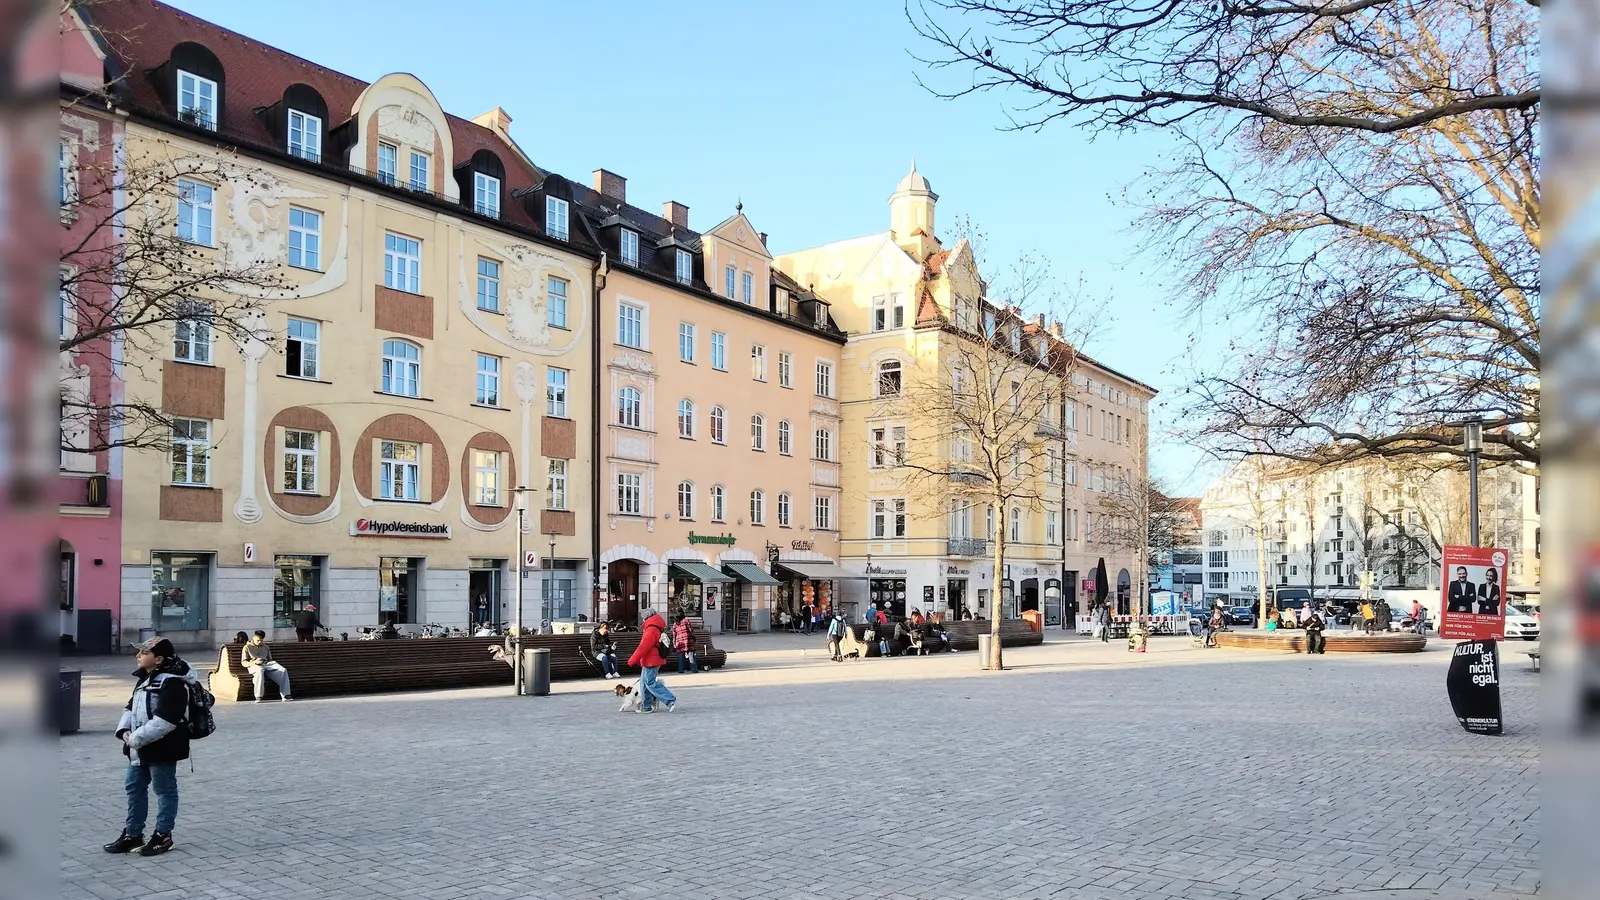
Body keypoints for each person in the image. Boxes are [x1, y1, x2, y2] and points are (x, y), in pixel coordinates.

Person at [105, 638, 197, 857]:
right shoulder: (144, 678)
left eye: (143, 652)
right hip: (138, 747)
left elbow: (166, 721)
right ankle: (133, 834)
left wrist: (134, 738)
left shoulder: (173, 683)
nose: (138, 655)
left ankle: (163, 835)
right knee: (134, 788)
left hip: (162, 748)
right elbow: (130, 707)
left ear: (158, 659)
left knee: (164, 790)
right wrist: (124, 731)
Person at [626, 608, 677, 713]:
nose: (642, 620)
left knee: (650, 683)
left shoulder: (651, 630)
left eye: (643, 618)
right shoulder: (655, 627)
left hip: (651, 661)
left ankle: (670, 699)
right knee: (644, 684)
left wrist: (632, 660)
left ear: (646, 618)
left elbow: (643, 647)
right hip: (650, 660)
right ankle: (646, 707)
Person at [240, 630, 292, 703]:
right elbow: (244, 662)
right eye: (258, 640)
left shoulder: (266, 647)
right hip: (254, 665)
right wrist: (254, 662)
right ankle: (258, 696)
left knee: (283, 670)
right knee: (259, 670)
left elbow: (270, 659)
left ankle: (286, 694)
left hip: (266, 664)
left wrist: (268, 662)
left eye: (261, 640)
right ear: (253, 638)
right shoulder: (247, 647)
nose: (260, 642)